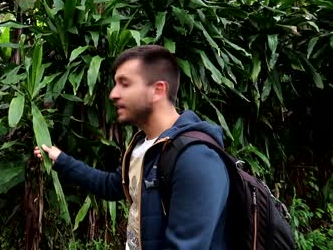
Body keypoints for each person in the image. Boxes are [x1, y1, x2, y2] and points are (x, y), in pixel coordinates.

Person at [34, 45, 229, 250]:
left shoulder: (195, 158)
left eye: (124, 84)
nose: (113, 94)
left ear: (158, 90)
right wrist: (62, 160)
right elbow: (110, 186)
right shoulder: (144, 146)